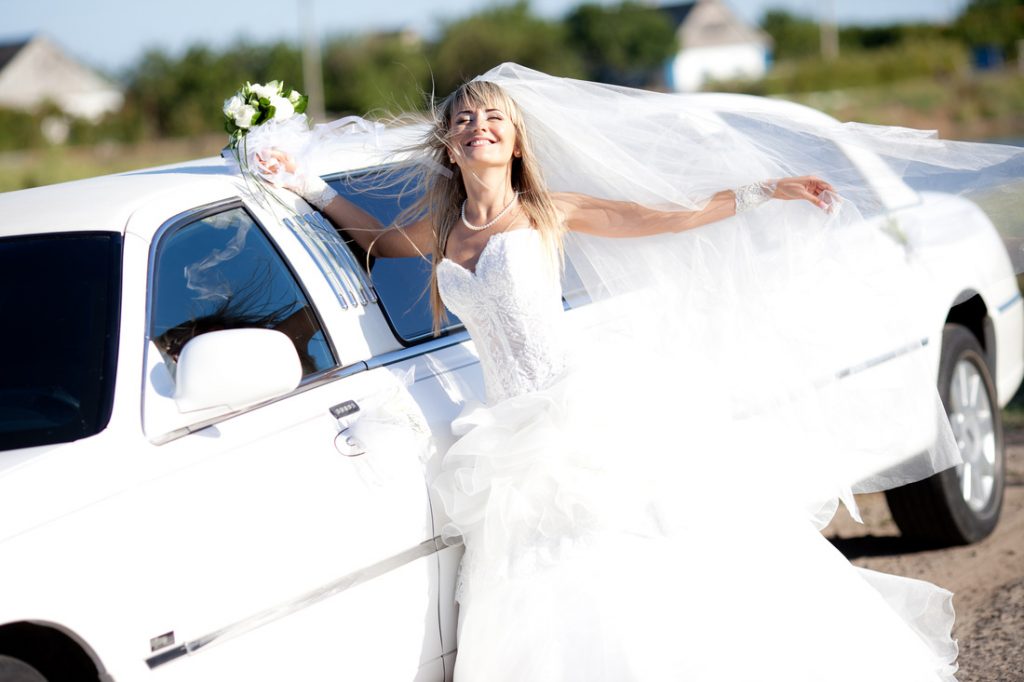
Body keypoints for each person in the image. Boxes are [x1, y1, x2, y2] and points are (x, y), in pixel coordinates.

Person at [265, 65, 965, 680]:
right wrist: (302, 182)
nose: (479, 126)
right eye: (465, 118)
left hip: (582, 416)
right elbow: (379, 241)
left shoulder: (544, 211)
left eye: (494, 118)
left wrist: (760, 192)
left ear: (514, 142)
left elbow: (655, 217)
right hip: (509, 439)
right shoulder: (445, 233)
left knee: (647, 561)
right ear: (449, 143)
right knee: (545, 589)